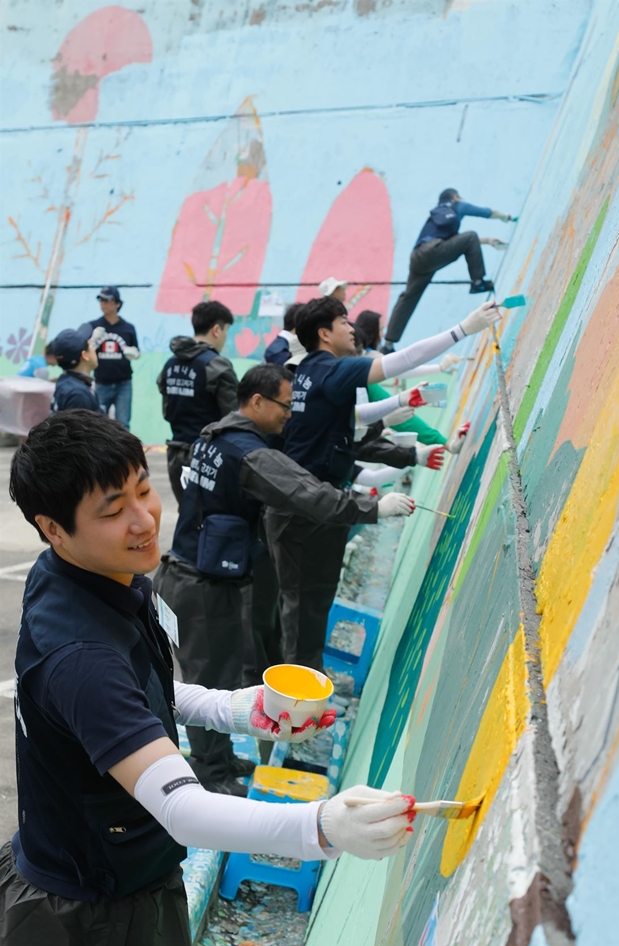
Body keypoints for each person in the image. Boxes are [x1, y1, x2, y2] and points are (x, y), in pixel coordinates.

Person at [2, 408, 416, 946]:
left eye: (144, 490)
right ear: (52, 528)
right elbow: (185, 810)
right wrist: (323, 827)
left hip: (126, 875)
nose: (144, 520)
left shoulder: (108, 578)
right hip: (83, 928)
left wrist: (237, 708)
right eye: (113, 511)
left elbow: (151, 694)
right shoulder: (80, 654)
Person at [153, 365, 413, 794]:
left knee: (220, 674)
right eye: (284, 406)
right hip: (200, 588)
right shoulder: (249, 454)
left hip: (187, 577)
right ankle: (211, 774)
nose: (289, 415)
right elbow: (306, 493)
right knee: (206, 679)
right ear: (256, 401)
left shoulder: (212, 436)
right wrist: (372, 509)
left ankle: (219, 759)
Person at [266, 295, 500, 668]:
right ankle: (296, 700)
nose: (351, 327)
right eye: (344, 321)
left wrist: (413, 438)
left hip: (312, 508)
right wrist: (462, 330)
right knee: (302, 611)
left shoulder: (311, 373)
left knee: (310, 607)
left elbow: (354, 429)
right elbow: (401, 361)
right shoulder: (330, 369)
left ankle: (304, 689)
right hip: (304, 513)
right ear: (325, 333)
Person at [384, 188, 513, 347]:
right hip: (433, 251)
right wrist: (505, 216)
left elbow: (455, 243)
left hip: (418, 257)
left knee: (409, 297)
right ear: (454, 196)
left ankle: (388, 344)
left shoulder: (436, 217)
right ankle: (478, 282)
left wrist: (488, 241)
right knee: (470, 235)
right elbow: (484, 212)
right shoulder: (456, 205)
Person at [157, 300, 238, 504]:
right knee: (211, 521)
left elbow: (167, 411)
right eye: (226, 330)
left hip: (175, 456)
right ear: (216, 330)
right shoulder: (216, 365)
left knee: (187, 518)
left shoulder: (170, 364)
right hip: (208, 457)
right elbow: (233, 417)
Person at [90, 286, 139, 429]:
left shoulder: (128, 328)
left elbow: (136, 351)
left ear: (118, 303)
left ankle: (123, 452)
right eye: (101, 300)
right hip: (101, 382)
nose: (103, 303)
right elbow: (86, 352)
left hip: (123, 383)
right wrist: (91, 343)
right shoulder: (94, 326)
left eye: (108, 300)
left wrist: (134, 353)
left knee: (123, 424)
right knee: (97, 424)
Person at [50, 324, 101, 413]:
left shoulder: (66, 382)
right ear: (84, 355)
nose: (94, 350)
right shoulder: (78, 395)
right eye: (90, 345)